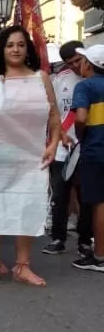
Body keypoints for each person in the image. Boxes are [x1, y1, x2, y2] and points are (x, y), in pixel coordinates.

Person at [0, 25, 60, 286]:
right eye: (10, 44)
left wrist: (54, 143)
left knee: (27, 206)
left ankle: (22, 265)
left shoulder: (41, 77)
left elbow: (54, 116)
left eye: (21, 44)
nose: (15, 49)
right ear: (1, 49)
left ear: (27, 49)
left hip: (31, 156)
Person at [43, 41, 93, 256]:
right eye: (70, 63)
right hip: (63, 147)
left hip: (88, 146)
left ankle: (84, 240)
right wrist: (60, 135)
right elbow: (51, 111)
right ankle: (57, 238)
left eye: (78, 61)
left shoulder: (96, 79)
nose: (74, 66)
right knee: (60, 195)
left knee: (86, 197)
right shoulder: (59, 80)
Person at [70, 44, 104, 273]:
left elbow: (81, 118)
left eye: (82, 61)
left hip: (96, 152)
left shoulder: (84, 87)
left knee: (99, 204)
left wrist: (81, 133)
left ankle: (100, 256)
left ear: (89, 65)